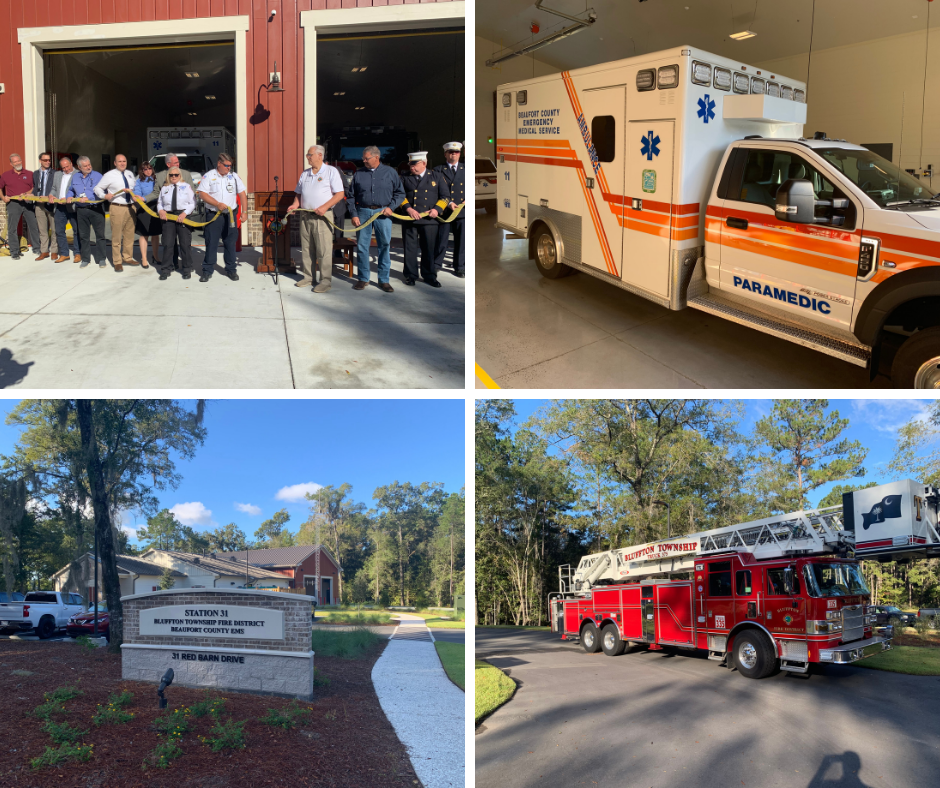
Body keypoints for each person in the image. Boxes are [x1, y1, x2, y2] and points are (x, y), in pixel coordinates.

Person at [345, 145, 405, 292]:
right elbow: (351, 196)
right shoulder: (359, 174)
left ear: (376, 157)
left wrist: (391, 207)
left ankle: (384, 280)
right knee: (362, 247)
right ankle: (363, 278)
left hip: (383, 213)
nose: (363, 160)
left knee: (384, 246)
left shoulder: (390, 172)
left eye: (366, 158)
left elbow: (400, 193)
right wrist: (353, 214)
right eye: (363, 158)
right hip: (363, 212)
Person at [286, 145, 345, 293]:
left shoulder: (331, 171)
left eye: (309, 155)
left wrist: (325, 207)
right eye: (307, 155)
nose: (307, 157)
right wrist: (294, 204)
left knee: (323, 249)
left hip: (323, 216)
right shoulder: (305, 174)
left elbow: (339, 194)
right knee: (306, 248)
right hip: (305, 215)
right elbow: (299, 193)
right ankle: (308, 277)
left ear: (320, 155)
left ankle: (325, 281)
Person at [397, 151, 449, 288]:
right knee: (410, 248)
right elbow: (399, 195)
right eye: (410, 164)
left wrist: (436, 210)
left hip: (429, 220)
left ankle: (429, 275)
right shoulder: (405, 177)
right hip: (410, 218)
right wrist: (408, 209)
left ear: (424, 163)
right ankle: (410, 275)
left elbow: (445, 196)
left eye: (414, 164)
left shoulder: (436, 176)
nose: (411, 167)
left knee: (429, 249)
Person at [197, 152, 246, 283]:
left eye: (230, 165)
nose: (229, 168)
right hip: (214, 215)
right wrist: (217, 204)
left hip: (230, 215)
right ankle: (207, 271)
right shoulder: (209, 176)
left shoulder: (234, 177)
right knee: (211, 242)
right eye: (226, 165)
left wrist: (245, 212)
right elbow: (202, 194)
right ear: (219, 164)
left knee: (230, 242)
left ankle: (231, 270)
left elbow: (242, 194)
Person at [95, 154, 137, 271]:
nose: (122, 163)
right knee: (117, 236)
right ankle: (117, 261)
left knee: (129, 235)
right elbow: (97, 188)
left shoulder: (130, 174)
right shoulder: (109, 175)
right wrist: (104, 195)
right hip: (117, 207)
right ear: (115, 163)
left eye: (124, 161)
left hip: (131, 207)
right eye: (120, 161)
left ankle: (127, 257)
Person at [67, 156, 108, 268]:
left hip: (96, 209)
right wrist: (69, 196)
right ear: (79, 167)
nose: (88, 167)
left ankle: (101, 259)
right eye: (85, 166)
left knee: (100, 235)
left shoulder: (98, 176)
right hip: (81, 210)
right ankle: (85, 259)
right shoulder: (75, 177)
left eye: (89, 164)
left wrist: (89, 197)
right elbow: (71, 190)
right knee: (84, 236)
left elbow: (103, 191)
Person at [156, 167, 196, 281]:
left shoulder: (186, 186)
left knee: (184, 244)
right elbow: (160, 202)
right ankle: (166, 269)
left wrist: (185, 213)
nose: (173, 177)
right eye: (171, 175)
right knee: (168, 244)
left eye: (176, 175)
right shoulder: (165, 188)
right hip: (168, 217)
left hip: (182, 216)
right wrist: (161, 210)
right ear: (168, 176)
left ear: (180, 176)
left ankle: (187, 269)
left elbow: (192, 202)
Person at [433, 141, 466, 278]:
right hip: (445, 210)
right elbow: (435, 190)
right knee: (441, 239)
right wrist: (449, 202)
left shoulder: (467, 168)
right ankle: (436, 264)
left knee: (462, 241)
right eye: (451, 152)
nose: (454, 154)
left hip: (462, 210)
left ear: (460, 154)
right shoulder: (438, 170)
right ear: (445, 154)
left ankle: (459, 267)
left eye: (456, 152)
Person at [1, 153, 39, 259]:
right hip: (13, 203)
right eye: (15, 162)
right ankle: (14, 252)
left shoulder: (30, 174)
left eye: (19, 160)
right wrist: (3, 198)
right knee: (12, 228)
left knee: (33, 226)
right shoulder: (5, 175)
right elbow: (0, 187)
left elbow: (34, 187)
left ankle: (37, 248)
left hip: (27, 202)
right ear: (11, 163)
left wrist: (27, 194)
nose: (18, 163)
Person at [50, 156, 82, 263]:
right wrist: (51, 195)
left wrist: (69, 198)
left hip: (72, 206)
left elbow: (80, 190)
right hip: (59, 206)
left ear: (71, 164)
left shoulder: (78, 174)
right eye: (63, 168)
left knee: (77, 230)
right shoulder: (57, 174)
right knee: (59, 231)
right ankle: (64, 253)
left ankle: (77, 253)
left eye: (67, 167)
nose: (66, 169)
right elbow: (54, 188)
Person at [132, 161, 161, 269]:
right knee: (144, 234)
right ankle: (144, 258)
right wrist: (137, 197)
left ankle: (156, 256)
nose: (148, 171)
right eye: (145, 169)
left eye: (150, 168)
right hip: (143, 208)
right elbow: (137, 194)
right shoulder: (139, 181)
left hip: (155, 207)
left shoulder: (157, 179)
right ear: (142, 171)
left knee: (155, 233)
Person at [32, 152, 58, 260]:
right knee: (42, 229)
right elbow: (35, 187)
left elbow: (56, 188)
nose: (48, 162)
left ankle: (54, 251)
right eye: (45, 160)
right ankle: (44, 251)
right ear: (40, 161)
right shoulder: (35, 173)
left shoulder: (55, 173)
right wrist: (31, 195)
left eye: (49, 160)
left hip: (50, 204)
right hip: (39, 204)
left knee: (54, 229)